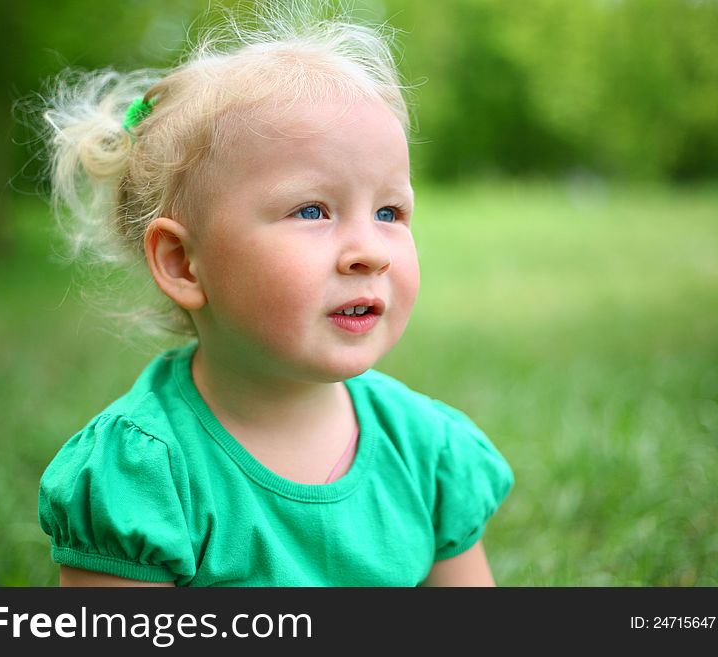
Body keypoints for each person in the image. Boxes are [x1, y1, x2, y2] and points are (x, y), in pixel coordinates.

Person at [38, 2, 514, 587]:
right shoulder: (145, 475)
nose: (372, 250)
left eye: (390, 211)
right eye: (312, 210)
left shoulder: (427, 452)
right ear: (184, 262)